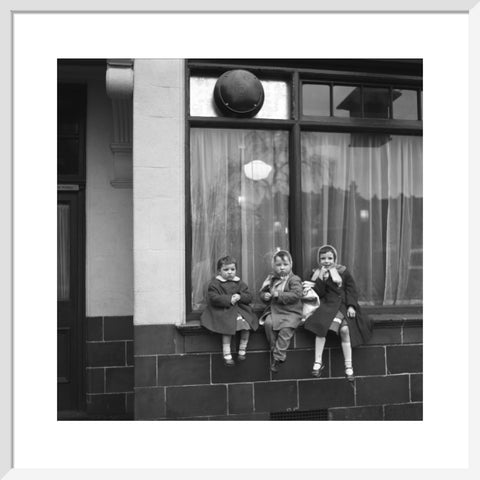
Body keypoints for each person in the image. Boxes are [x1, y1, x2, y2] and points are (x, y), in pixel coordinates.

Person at [304, 244, 373, 381]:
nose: (327, 261)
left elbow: (351, 290)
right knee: (321, 328)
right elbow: (319, 292)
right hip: (327, 305)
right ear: (319, 260)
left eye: (330, 258)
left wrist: (351, 306)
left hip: (343, 305)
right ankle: (318, 362)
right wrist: (321, 279)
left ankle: (349, 367)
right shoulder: (317, 273)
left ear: (335, 258)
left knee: (345, 331)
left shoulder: (343, 271)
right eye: (323, 258)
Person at [201, 256, 258, 366]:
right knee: (227, 328)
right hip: (224, 310)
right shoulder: (215, 284)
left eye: (232, 269)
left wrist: (240, 296)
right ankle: (227, 353)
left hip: (240, 311)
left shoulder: (240, 283)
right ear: (219, 271)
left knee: (247, 326)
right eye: (226, 270)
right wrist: (229, 299)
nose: (230, 272)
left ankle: (242, 349)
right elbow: (213, 298)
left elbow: (250, 296)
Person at [259, 250, 303, 373]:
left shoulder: (294, 279)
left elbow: (297, 294)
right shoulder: (271, 279)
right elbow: (262, 292)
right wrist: (264, 296)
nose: (282, 268)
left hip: (291, 311)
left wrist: (278, 294)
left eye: (285, 264)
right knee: (268, 324)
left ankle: (278, 357)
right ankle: (274, 350)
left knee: (285, 330)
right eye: (278, 265)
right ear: (274, 266)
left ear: (291, 265)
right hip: (274, 310)